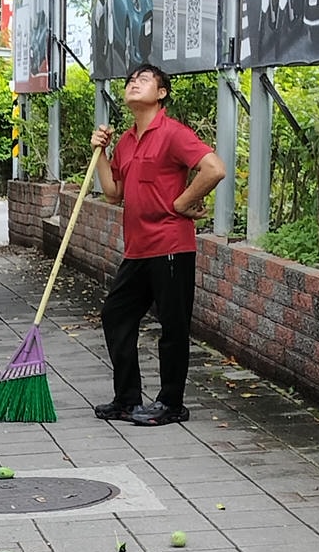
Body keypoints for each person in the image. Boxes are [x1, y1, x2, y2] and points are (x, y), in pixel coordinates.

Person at [91, 65, 226, 426]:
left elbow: (214, 168)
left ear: (162, 93)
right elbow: (113, 193)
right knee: (116, 315)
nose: (134, 84)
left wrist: (182, 202)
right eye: (130, 81)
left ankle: (171, 403)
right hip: (137, 248)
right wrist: (100, 153)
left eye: (144, 79)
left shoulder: (173, 133)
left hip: (170, 245)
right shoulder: (125, 141)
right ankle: (126, 400)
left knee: (172, 326)